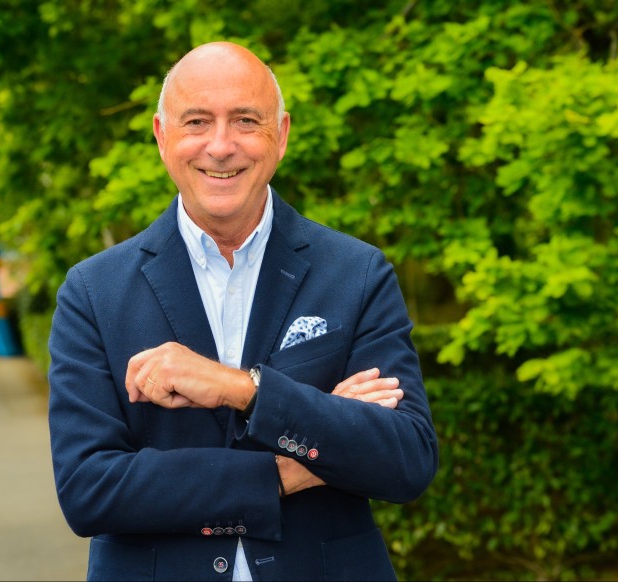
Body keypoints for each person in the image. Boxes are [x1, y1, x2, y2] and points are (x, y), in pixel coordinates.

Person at [48, 42, 438, 581]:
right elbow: (89, 490)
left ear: (281, 135)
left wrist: (243, 390)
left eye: (246, 121)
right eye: (196, 122)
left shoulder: (357, 272)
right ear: (162, 137)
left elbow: (405, 458)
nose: (220, 145)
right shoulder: (93, 291)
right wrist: (284, 471)